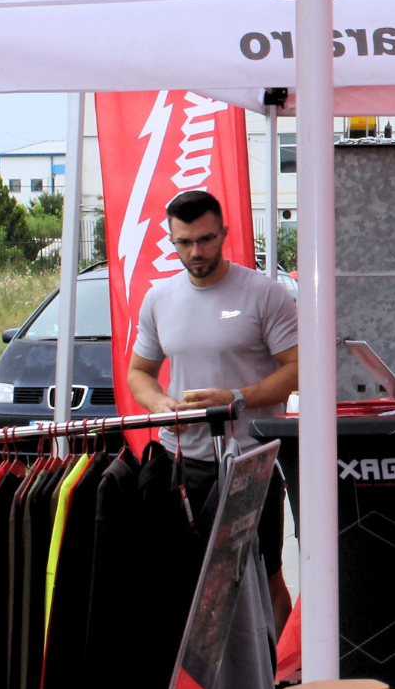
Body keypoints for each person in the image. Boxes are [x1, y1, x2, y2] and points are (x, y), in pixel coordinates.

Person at [127, 189, 299, 625]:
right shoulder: (159, 298)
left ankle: (277, 663)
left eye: (205, 239)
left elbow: (301, 368)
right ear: (171, 239)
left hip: (249, 462)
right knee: (183, 578)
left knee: (264, 574)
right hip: (181, 462)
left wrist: (238, 398)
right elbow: (139, 373)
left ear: (224, 232)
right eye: (184, 242)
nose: (196, 252)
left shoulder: (263, 294)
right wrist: (160, 403)